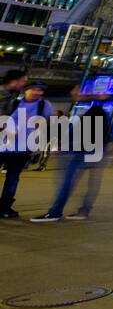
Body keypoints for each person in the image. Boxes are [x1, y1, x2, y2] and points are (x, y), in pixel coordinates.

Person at [32, 103, 109, 222]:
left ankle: (55, 212)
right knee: (91, 183)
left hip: (84, 152)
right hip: (97, 151)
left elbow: (84, 135)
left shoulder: (93, 111)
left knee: (67, 182)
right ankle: (84, 211)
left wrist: (63, 146)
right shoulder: (100, 112)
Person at [0, 79, 52, 218]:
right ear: (26, 90)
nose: (37, 92)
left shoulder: (43, 105)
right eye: (34, 89)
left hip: (22, 148)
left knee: (12, 179)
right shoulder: (14, 102)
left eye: (40, 90)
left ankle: (4, 207)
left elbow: (45, 123)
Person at [0, 69, 33, 219]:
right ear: (14, 81)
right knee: (12, 177)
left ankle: (5, 207)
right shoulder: (3, 94)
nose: (24, 84)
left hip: (12, 144)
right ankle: (4, 208)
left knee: (13, 177)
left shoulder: (13, 97)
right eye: (23, 81)